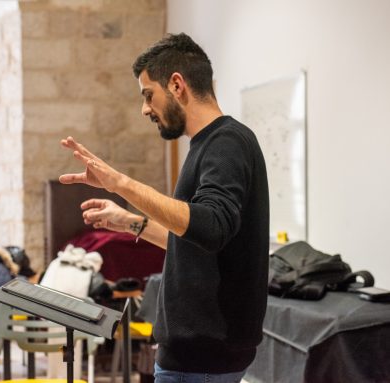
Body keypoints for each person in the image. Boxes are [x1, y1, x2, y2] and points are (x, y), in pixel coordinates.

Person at [59, 33, 269, 383]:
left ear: (176, 84)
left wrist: (120, 183)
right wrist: (131, 223)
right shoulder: (208, 145)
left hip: (203, 358)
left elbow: (212, 226)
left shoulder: (227, 142)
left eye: (148, 95)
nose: (145, 109)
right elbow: (196, 241)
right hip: (196, 357)